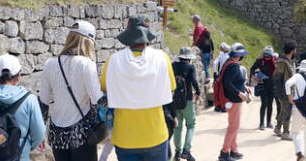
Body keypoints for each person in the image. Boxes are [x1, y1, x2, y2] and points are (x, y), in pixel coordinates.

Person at [100, 15, 176, 161]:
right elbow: (171, 88)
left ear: (128, 35)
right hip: (155, 134)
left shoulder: (112, 61)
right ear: (147, 34)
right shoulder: (162, 58)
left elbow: (104, 87)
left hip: (124, 137)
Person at [40, 21, 104, 161]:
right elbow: (97, 99)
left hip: (57, 133)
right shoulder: (86, 64)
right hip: (81, 132)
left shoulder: (49, 64)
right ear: (88, 42)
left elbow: (43, 103)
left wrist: (40, 134)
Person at [218, 43, 249, 161]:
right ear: (239, 56)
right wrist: (239, 93)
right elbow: (228, 83)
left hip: (233, 100)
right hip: (234, 100)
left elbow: (233, 81)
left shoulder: (229, 64)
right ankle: (224, 153)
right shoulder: (234, 67)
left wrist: (244, 88)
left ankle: (234, 150)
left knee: (234, 126)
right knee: (233, 127)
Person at [171, 47, 201, 161]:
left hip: (175, 101)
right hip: (187, 101)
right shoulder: (190, 67)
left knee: (177, 127)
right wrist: (198, 92)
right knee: (191, 125)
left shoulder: (173, 65)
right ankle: (186, 151)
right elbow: (194, 81)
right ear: (189, 58)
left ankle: (177, 153)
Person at [272, 41, 297, 141]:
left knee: (284, 110)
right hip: (285, 91)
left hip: (288, 91)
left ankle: (278, 128)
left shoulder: (291, 61)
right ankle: (285, 132)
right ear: (292, 50)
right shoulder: (282, 62)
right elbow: (277, 77)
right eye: (295, 49)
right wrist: (283, 92)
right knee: (288, 111)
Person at [249, 46, 276, 130]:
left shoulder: (275, 62)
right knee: (264, 103)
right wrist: (254, 76)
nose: (267, 57)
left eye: (268, 56)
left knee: (270, 104)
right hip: (262, 84)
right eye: (265, 55)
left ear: (271, 55)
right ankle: (261, 123)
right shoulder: (259, 61)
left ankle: (268, 122)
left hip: (272, 85)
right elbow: (252, 69)